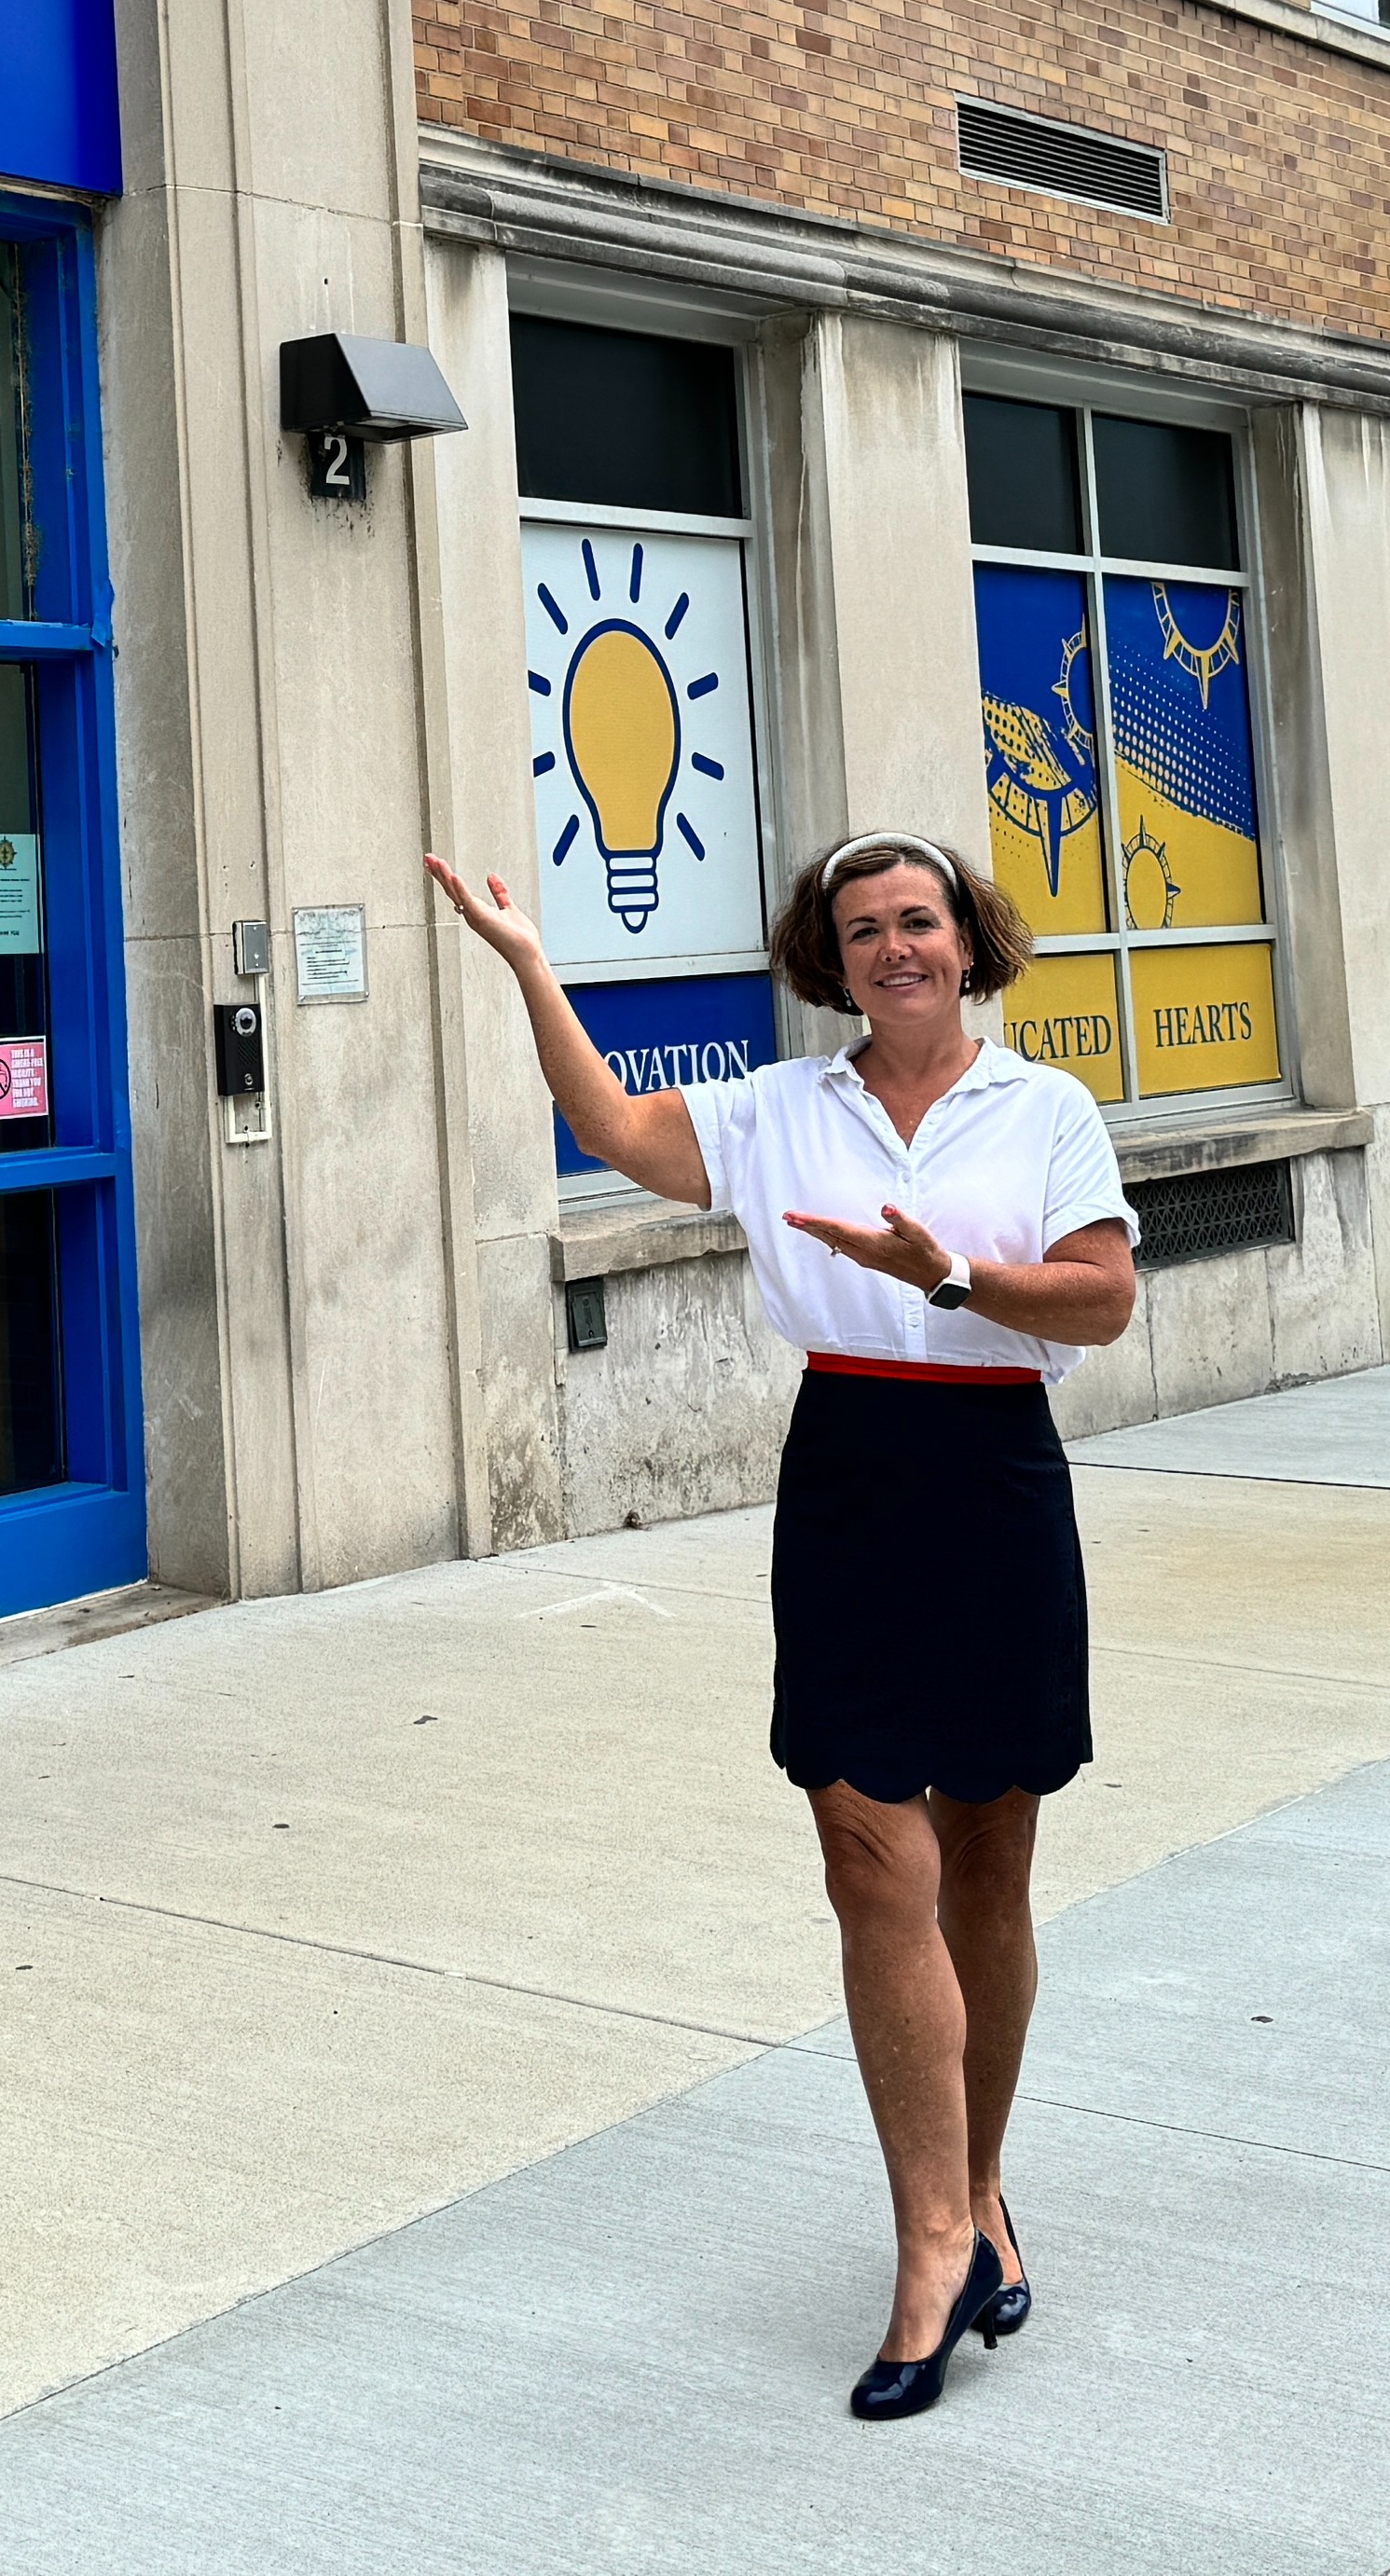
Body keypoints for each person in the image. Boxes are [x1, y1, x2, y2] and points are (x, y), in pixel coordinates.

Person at [427, 827, 1138, 2421]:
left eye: (920, 921)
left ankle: (983, 2186)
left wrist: (955, 1275)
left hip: (994, 1478)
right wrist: (534, 964)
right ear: (830, 960)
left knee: (990, 1859)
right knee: (864, 1846)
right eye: (863, 929)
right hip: (850, 1478)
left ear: (970, 940)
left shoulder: (1045, 1110)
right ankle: (930, 2243)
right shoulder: (774, 1111)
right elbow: (609, 1125)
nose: (895, 947)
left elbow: (1102, 1297)